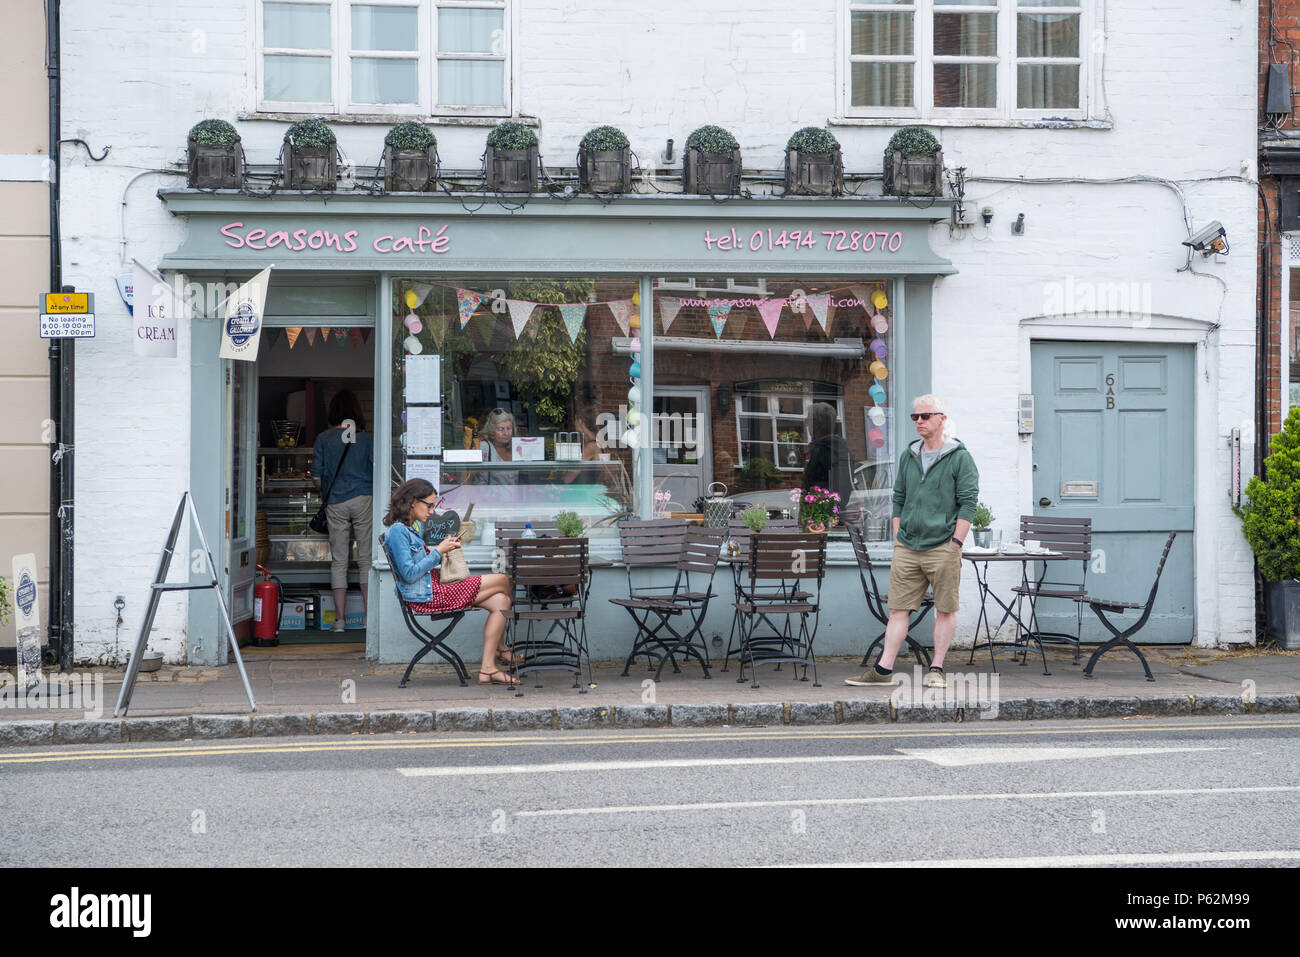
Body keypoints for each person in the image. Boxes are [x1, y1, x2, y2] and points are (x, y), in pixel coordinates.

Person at [846, 394, 978, 689]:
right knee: (897, 609)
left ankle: (937, 669)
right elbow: (899, 499)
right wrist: (897, 537)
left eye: (925, 416)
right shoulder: (909, 455)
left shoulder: (960, 458)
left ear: (941, 419)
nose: (919, 421)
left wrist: (955, 543)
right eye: (915, 417)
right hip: (908, 545)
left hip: (943, 546)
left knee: (945, 609)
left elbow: (968, 504)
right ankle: (883, 671)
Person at [382, 478, 518, 685]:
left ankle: (488, 669)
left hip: (435, 588)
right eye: (429, 505)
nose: (432, 511)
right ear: (412, 501)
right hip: (429, 596)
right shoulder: (398, 531)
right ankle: (502, 649)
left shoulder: (412, 528)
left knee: (501, 601)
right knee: (501, 579)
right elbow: (409, 574)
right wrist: (438, 551)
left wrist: (445, 548)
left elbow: (420, 564)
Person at [311, 389, 374, 632]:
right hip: (363, 498)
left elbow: (316, 477)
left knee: (339, 560)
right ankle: (369, 618)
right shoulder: (367, 439)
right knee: (366, 559)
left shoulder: (324, 439)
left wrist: (326, 489)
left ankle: (339, 621)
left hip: (336, 501)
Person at [802, 402, 854, 519]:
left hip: (821, 517)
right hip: (830, 514)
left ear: (816, 424)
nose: (807, 424)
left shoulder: (821, 450)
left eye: (809, 420)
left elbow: (814, 483)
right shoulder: (841, 449)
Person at [477, 407, 519, 485]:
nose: (506, 433)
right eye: (501, 429)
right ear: (492, 430)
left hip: (514, 497)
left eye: (509, 428)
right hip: (486, 497)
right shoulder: (484, 447)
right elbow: (467, 480)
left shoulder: (516, 448)